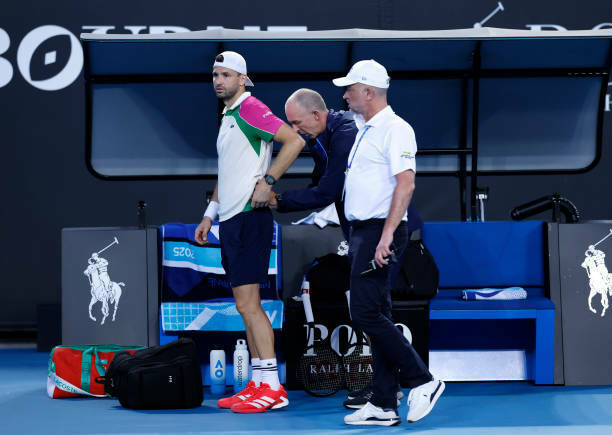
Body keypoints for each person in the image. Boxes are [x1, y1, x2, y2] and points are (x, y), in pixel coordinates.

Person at [333, 59, 444, 426]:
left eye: (350, 89)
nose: (345, 95)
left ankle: (423, 380)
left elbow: (406, 184)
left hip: (381, 232)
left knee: (364, 313)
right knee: (378, 313)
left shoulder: (396, 129)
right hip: (364, 232)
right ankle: (383, 403)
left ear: (368, 91)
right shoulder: (365, 129)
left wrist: (385, 237)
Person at [194, 51, 305, 413]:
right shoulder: (229, 115)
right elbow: (227, 172)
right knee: (245, 306)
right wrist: (209, 214)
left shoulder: (250, 108)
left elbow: (294, 141)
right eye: (215, 75)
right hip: (230, 219)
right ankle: (258, 382)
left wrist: (268, 181)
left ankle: (272, 388)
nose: (218, 81)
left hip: (249, 218)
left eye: (226, 75)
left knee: (248, 304)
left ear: (242, 79)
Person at [271, 88, 423, 241]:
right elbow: (320, 185)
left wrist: (279, 201)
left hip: (386, 228)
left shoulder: (347, 134)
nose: (295, 129)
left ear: (316, 115)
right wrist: (279, 200)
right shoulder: (319, 138)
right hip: (368, 229)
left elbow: (328, 191)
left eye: (297, 123)